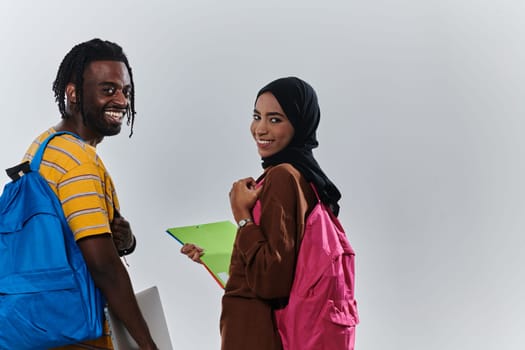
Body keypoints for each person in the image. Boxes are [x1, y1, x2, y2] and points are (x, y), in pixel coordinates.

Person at [182, 77, 353, 349]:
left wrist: (241, 214)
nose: (260, 129)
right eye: (256, 116)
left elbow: (271, 282)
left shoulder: (283, 177)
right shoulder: (306, 179)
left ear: (299, 124)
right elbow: (286, 265)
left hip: (260, 338)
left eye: (275, 120)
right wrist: (223, 258)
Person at [22, 38, 157, 349]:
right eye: (107, 90)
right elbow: (103, 267)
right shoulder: (78, 161)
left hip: (36, 324)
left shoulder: (44, 146)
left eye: (126, 91)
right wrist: (148, 344)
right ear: (73, 94)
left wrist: (124, 241)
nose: (122, 100)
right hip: (75, 333)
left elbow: (64, 236)